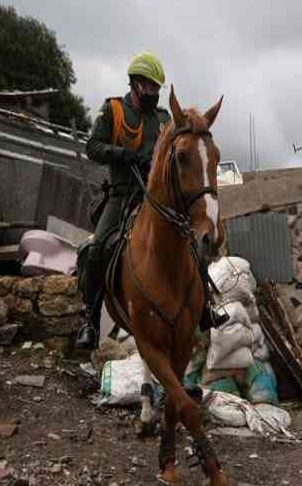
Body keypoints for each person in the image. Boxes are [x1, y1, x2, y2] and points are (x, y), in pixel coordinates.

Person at [75, 53, 224, 350]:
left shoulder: (164, 119)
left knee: (191, 244)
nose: (154, 93)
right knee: (96, 249)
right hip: (121, 194)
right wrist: (122, 154)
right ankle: (89, 321)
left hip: (156, 195)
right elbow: (92, 146)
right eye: (149, 87)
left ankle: (204, 307)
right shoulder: (113, 110)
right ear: (135, 84)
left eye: (157, 88)